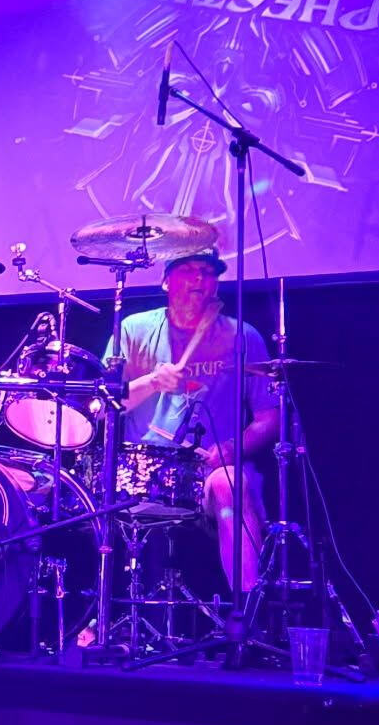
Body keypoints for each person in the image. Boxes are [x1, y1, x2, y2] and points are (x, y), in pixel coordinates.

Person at [108, 249, 278, 591]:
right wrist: (152, 382)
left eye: (208, 271)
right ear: (166, 281)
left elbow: (268, 417)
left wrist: (233, 448)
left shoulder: (241, 336)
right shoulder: (133, 330)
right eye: (187, 270)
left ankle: (248, 608)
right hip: (142, 472)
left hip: (209, 470)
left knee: (231, 485)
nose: (199, 279)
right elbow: (106, 404)